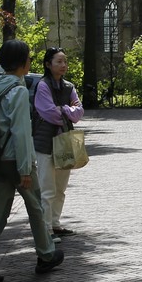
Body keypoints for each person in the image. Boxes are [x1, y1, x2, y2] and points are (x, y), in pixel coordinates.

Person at [0, 39, 65, 282]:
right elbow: (21, 133)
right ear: (21, 63)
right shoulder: (18, 91)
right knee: (36, 207)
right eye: (28, 58)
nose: (30, 61)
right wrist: (25, 169)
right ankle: (46, 254)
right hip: (16, 160)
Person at [33, 46, 84, 237]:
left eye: (65, 61)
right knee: (47, 188)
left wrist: (63, 110)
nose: (64, 65)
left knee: (61, 188)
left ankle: (55, 223)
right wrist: (67, 110)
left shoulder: (69, 87)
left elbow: (79, 113)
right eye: (59, 61)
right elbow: (50, 114)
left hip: (64, 141)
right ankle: (46, 230)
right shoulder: (42, 86)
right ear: (48, 64)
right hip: (45, 142)